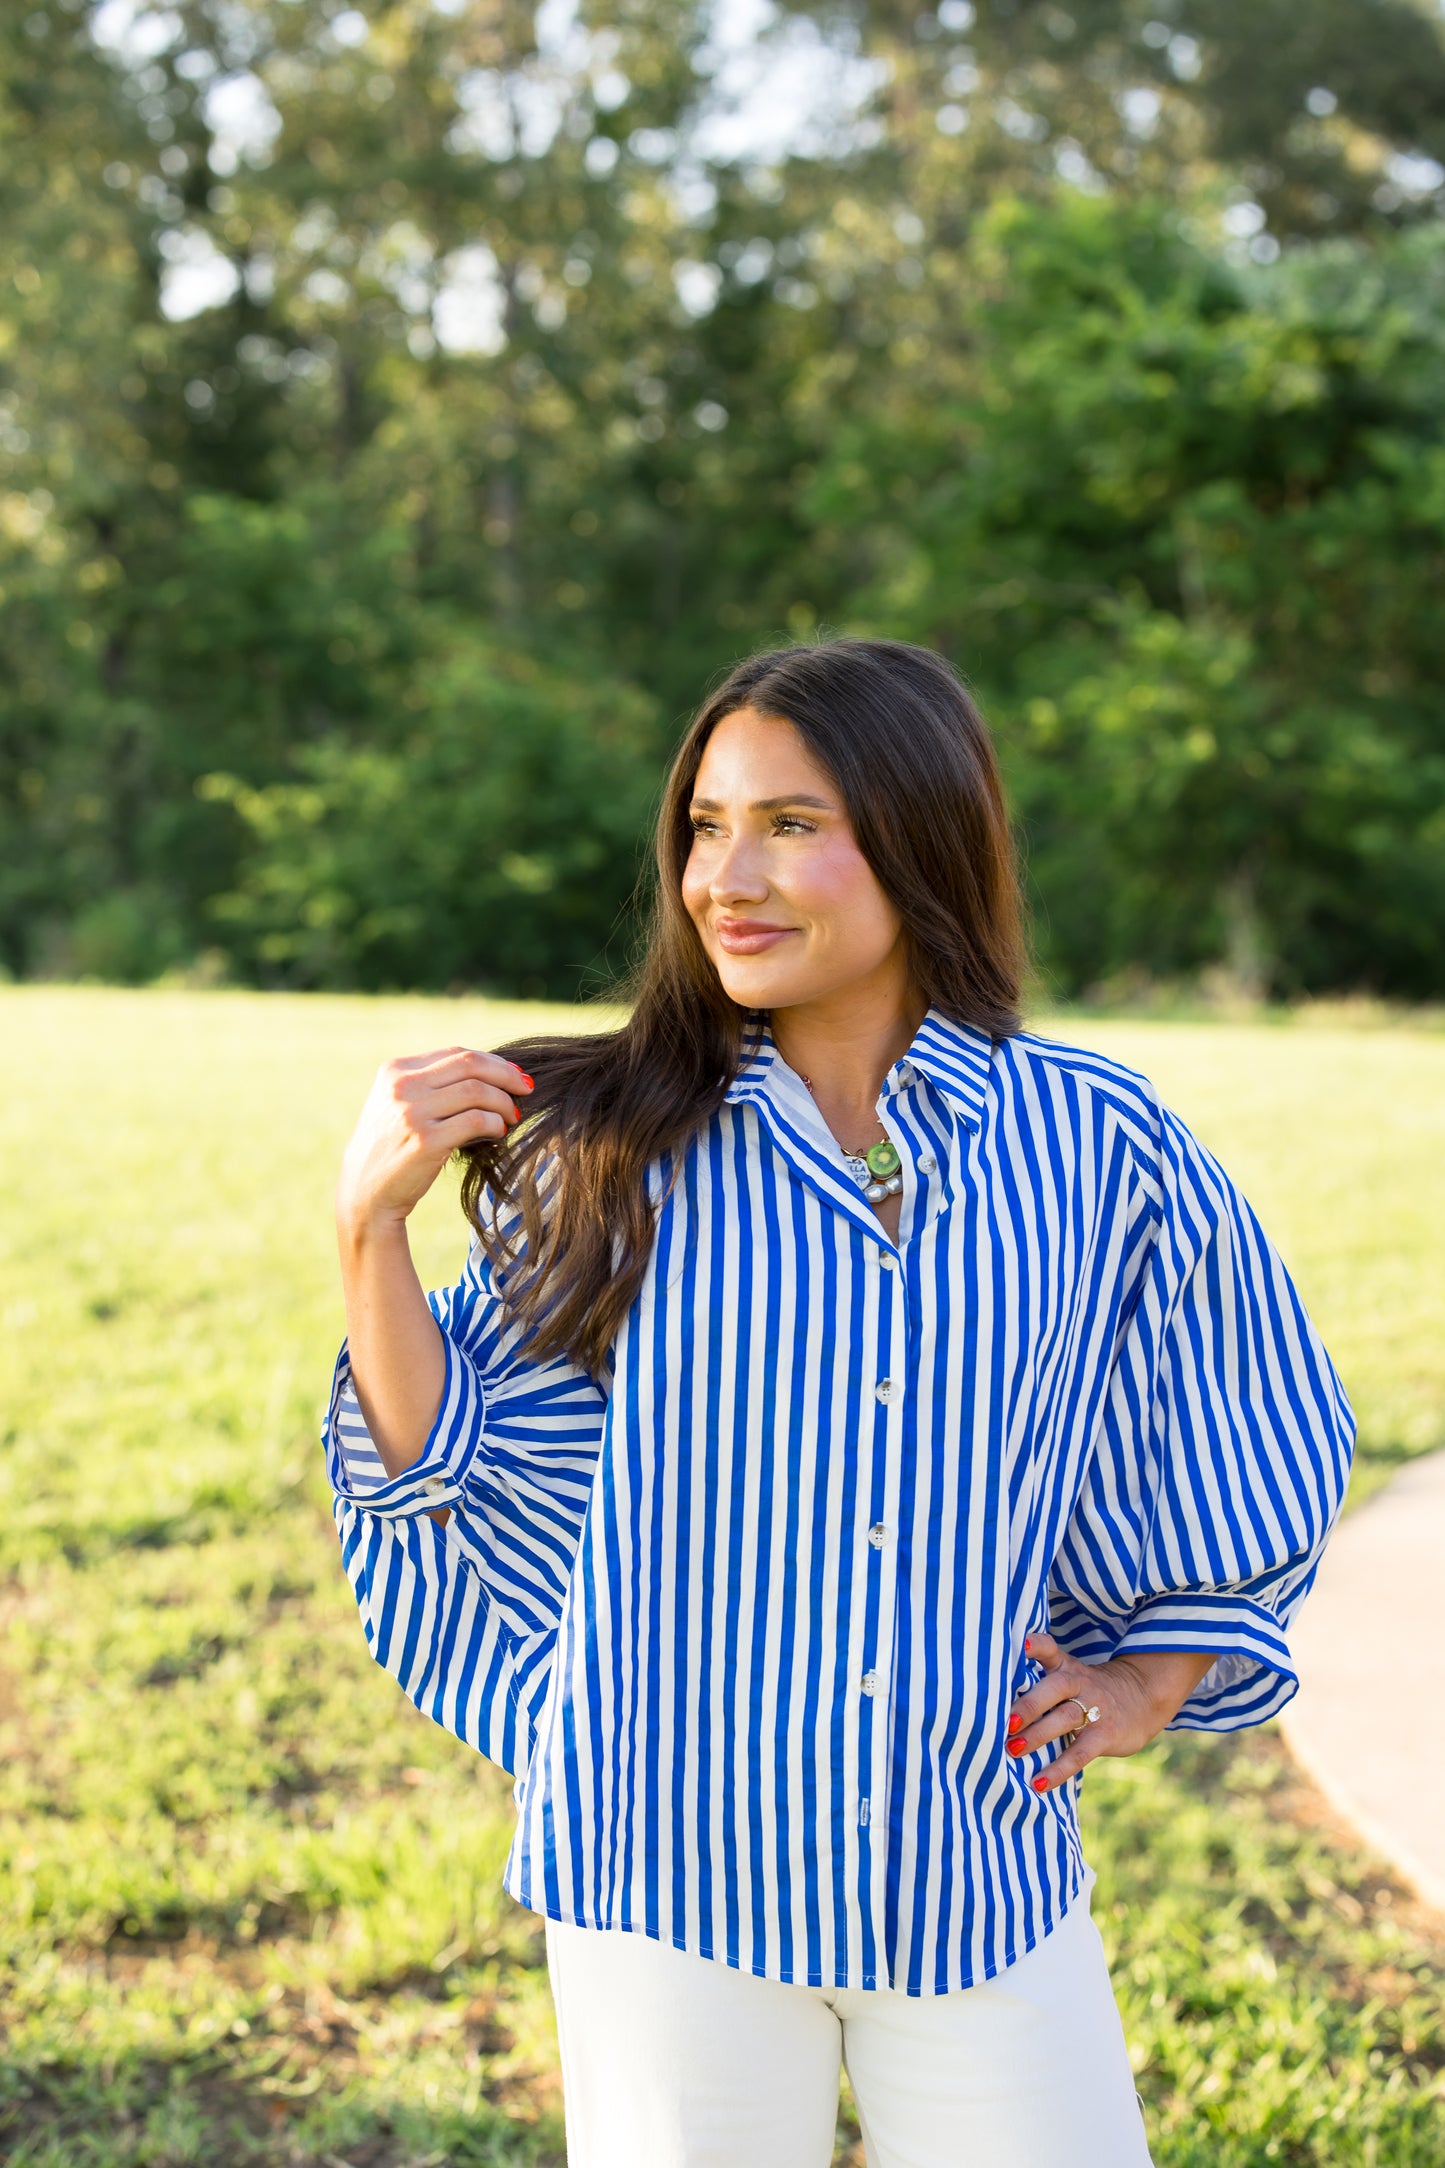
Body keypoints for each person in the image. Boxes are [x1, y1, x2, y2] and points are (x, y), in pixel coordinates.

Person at [324, 639, 1354, 2168]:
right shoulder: (609, 1146)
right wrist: (367, 1232)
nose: (723, 877)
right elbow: (446, 1466)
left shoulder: (1094, 1143)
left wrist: (1151, 1678)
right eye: (705, 824)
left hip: (968, 1867)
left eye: (791, 825)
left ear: (922, 837)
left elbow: (1245, 1416)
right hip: (665, 1874)